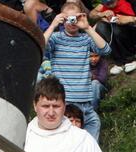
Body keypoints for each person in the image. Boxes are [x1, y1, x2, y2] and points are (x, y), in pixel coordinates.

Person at [45, 1, 111, 140]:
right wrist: (53, 25)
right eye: (69, 18)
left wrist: (87, 27)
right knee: (67, 139)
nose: (72, 22)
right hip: (65, 102)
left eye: (76, 18)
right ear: (62, 19)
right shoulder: (56, 38)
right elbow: (40, 46)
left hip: (85, 103)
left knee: (94, 124)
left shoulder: (86, 39)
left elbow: (105, 50)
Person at [91, 0, 136, 75]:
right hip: (116, 35)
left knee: (117, 28)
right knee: (101, 26)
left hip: (134, 35)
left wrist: (131, 19)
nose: (110, 4)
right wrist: (101, 14)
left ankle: (129, 59)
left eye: (111, 2)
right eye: (107, 3)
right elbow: (92, 14)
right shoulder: (108, 2)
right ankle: (119, 62)